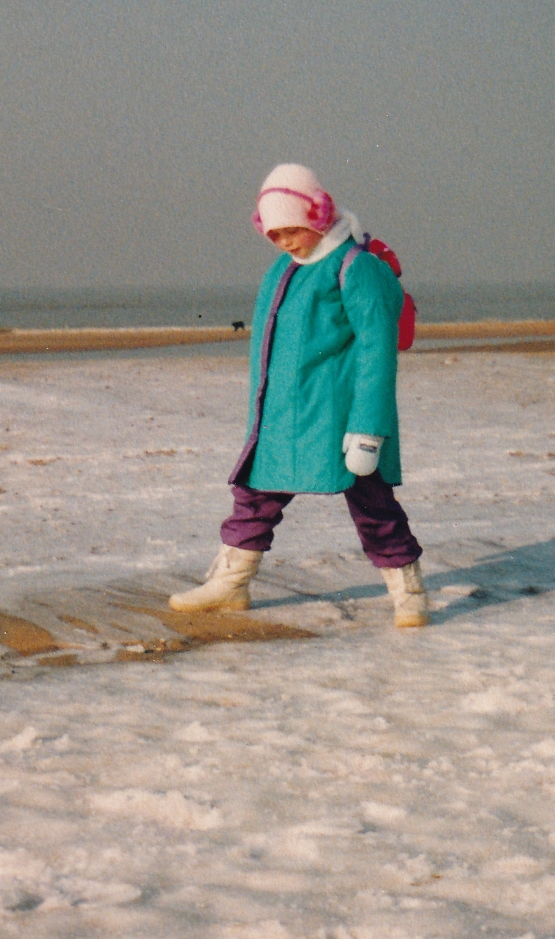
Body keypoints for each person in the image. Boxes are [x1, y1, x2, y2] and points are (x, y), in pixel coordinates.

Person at [169, 161, 427, 630]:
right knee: (254, 497)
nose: (286, 242)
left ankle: (408, 593)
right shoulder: (283, 271)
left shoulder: (356, 267)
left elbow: (377, 350)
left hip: (339, 417)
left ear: (319, 215)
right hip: (283, 417)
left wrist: (368, 429)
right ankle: (231, 583)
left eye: (293, 230)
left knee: (372, 503)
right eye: (275, 235)